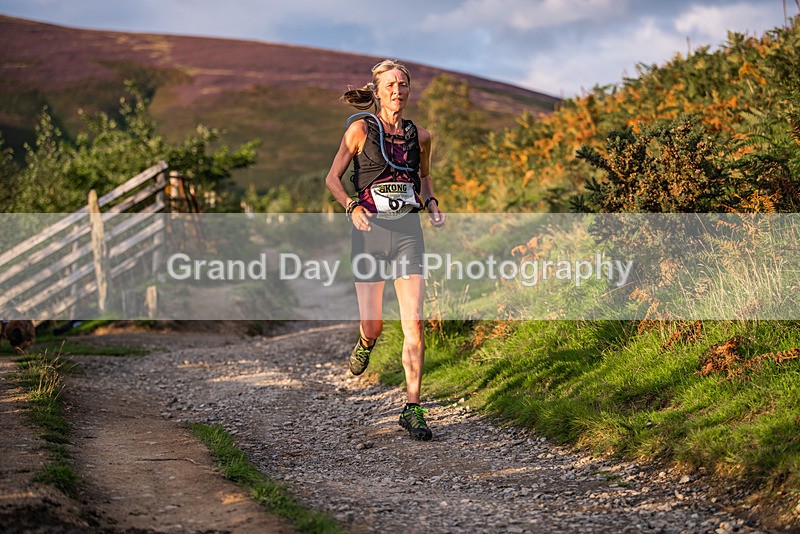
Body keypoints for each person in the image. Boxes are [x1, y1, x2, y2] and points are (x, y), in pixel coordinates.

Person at [325, 59, 445, 441]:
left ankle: (412, 408)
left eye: (403, 84)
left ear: (409, 91)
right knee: (374, 323)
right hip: (369, 233)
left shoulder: (421, 136)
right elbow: (332, 178)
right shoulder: (360, 130)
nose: (397, 90)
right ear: (376, 91)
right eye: (390, 85)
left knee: (414, 321)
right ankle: (366, 341)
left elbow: (424, 179)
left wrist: (432, 203)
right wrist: (351, 205)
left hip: (408, 232)